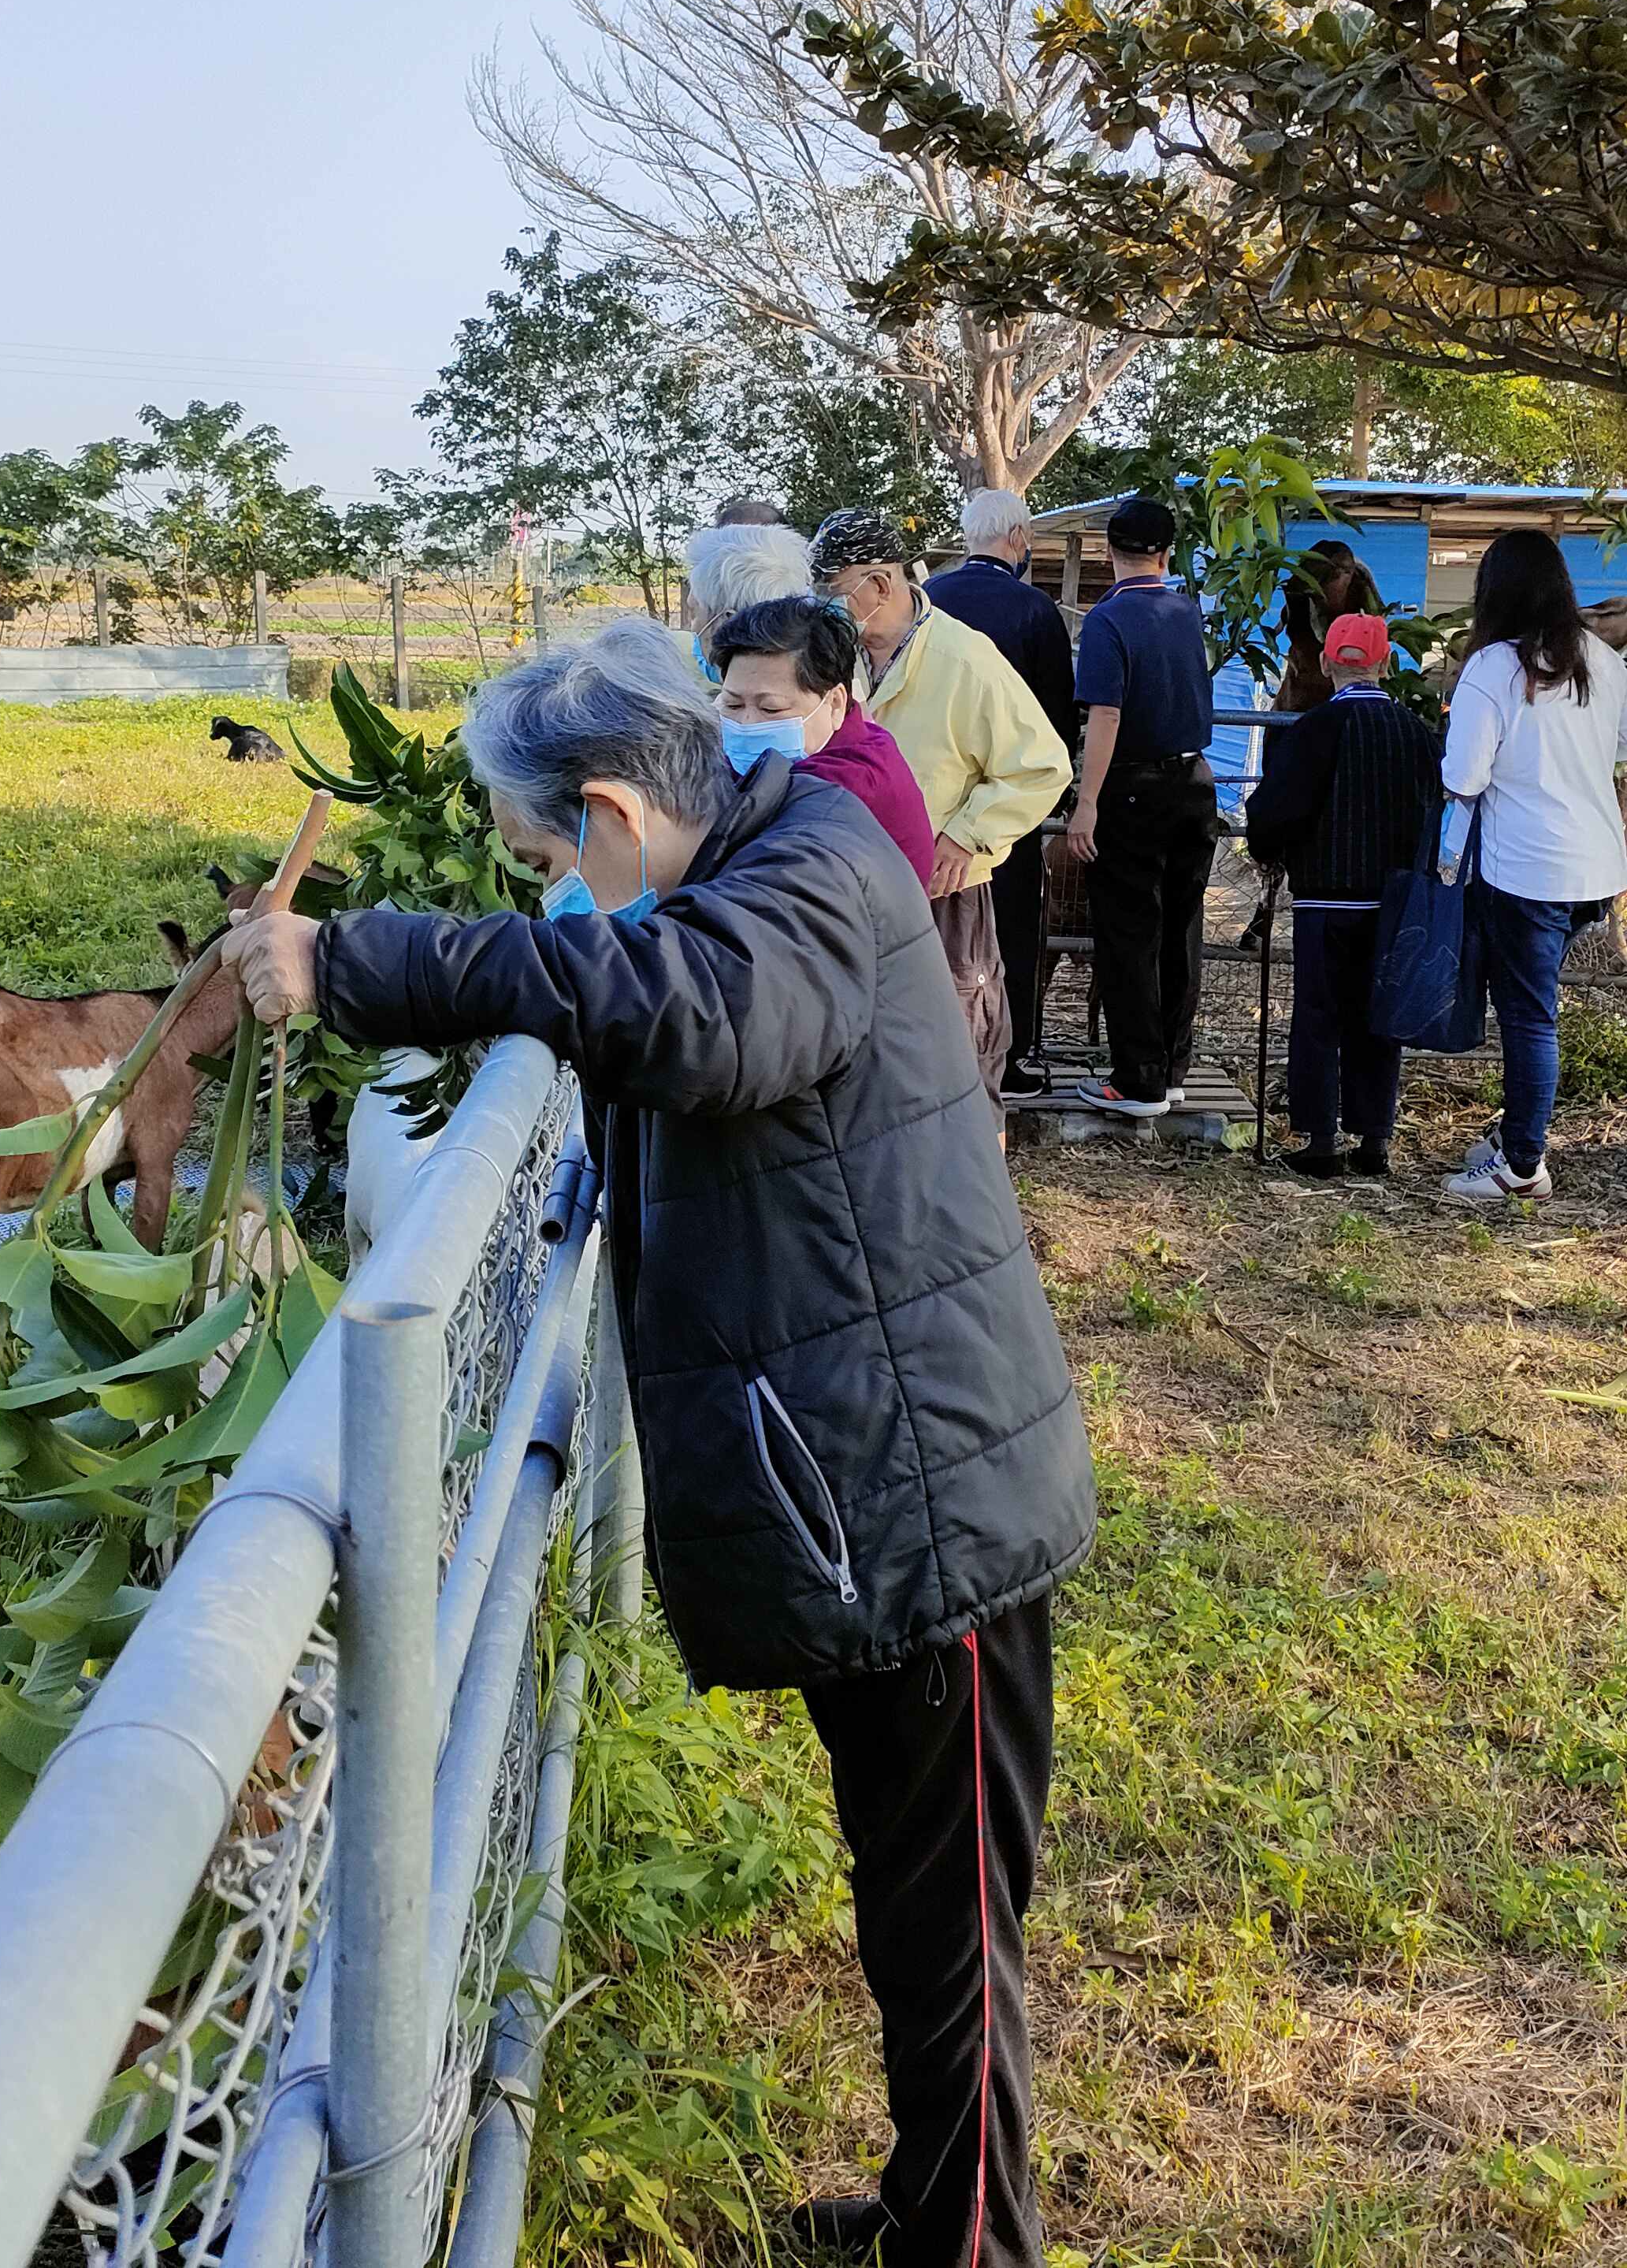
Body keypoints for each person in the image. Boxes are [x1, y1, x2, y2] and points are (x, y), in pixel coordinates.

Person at [215, 623, 1095, 2268]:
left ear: (614, 815)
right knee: (917, 1910)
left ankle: (970, 2247)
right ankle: (934, 2205)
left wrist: (360, 967)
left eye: (549, 856)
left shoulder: (800, 886)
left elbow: (687, 1013)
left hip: (925, 1502)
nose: (552, 889)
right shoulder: (770, 851)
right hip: (874, 1470)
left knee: (949, 1938)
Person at [1437, 529, 1627, 1204]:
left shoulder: (1492, 667)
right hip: (1595, 870)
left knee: (1530, 1017)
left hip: (1524, 871)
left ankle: (1522, 1166)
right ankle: (1515, 1138)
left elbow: (1464, 777)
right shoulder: (1597, 655)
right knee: (1535, 1008)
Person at [811, 509, 1070, 1090]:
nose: (825, 604)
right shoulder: (836, 656)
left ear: (880, 585)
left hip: (941, 888)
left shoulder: (965, 659)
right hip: (847, 881)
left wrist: (967, 832)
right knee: (865, 1043)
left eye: (833, 590)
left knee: (956, 1045)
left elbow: (1042, 767)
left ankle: (970, 1161)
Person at [1242, 612, 1438, 1178]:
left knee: (1319, 1017)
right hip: (1397, 902)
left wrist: (1269, 850)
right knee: (1381, 1016)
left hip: (1325, 900)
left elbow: (1273, 815)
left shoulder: (1311, 731)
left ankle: (1322, 1139)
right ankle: (1375, 1140)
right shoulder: (1417, 734)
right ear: (1385, 663)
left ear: (1328, 664)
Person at [1061, 496, 1220, 1118]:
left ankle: (1137, 1079)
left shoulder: (1108, 620)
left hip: (1133, 784)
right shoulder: (1186, 611)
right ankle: (1173, 1066)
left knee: (1130, 929)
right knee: (1182, 927)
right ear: (1166, 553)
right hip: (1196, 779)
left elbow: (1105, 712)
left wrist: (1087, 802)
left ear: (1108, 552)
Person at [923, 488, 1081, 1095]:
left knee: (928, 926)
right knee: (1010, 924)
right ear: (1018, 539)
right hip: (1003, 803)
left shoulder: (927, 602)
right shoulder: (1034, 610)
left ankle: (932, 1056)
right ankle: (1007, 1061)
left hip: (932, 795)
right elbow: (1056, 718)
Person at [713, 590, 935, 885]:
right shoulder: (852, 736)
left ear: (834, 703)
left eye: (771, 708)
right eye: (733, 705)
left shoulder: (840, 788)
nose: (747, 723)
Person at [1271, 539, 1385, 718]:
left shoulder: (1361, 595)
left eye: (1344, 574)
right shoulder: (1299, 601)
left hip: (1346, 707)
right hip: (1299, 705)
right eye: (1333, 576)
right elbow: (1302, 648)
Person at [682, 522, 817, 662]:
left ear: (728, 622)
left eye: (694, 614)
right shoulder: (817, 672)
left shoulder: (735, 681)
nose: (692, 629)